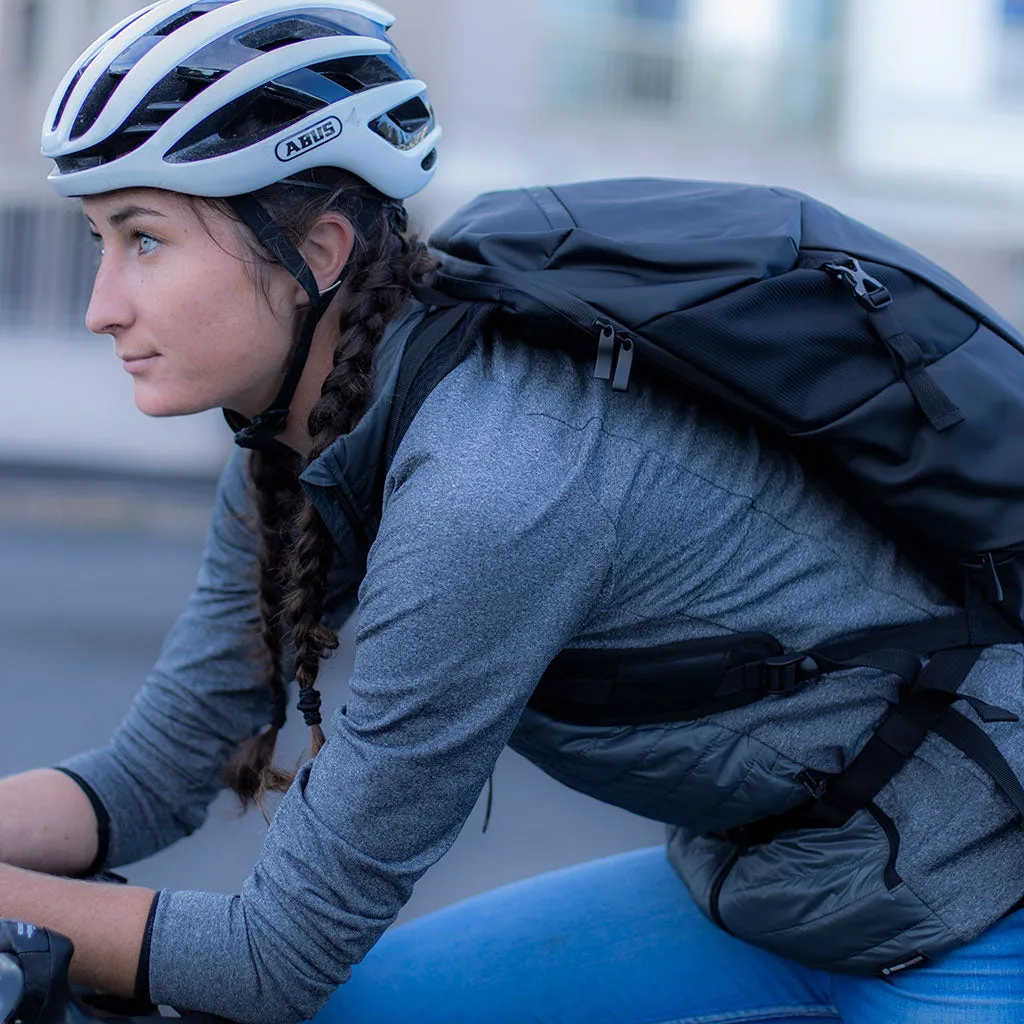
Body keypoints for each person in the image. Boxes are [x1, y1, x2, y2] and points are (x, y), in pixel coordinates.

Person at [2, 1, 1023, 1022]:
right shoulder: (295, 444)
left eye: (144, 240)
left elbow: (276, 958)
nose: (101, 305)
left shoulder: (494, 485)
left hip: (971, 899)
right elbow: (153, 775)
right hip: (777, 885)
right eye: (99, 239)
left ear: (315, 252)